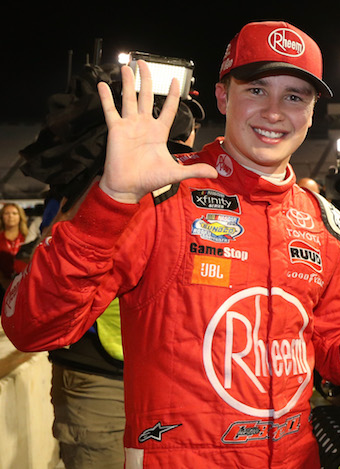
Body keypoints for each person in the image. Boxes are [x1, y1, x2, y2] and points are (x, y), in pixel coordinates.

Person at [2, 20, 340, 469]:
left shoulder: (323, 220)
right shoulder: (162, 195)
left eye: (294, 96)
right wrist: (111, 201)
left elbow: (338, 359)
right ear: (222, 95)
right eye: (256, 89)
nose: (274, 112)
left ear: (311, 113)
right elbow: (33, 328)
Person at [47, 97, 203, 469]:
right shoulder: (91, 180)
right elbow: (51, 276)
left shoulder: (191, 189)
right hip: (100, 374)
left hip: (170, 377)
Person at [0, 203, 28, 296]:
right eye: (7, 213)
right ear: (2, 217)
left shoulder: (28, 238)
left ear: (20, 216)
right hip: (2, 286)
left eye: (14, 213)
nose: (10, 216)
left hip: (25, 286)